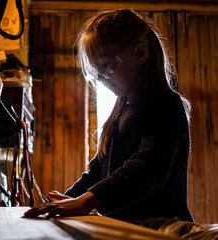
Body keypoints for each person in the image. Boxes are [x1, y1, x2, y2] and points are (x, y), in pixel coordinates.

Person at [24, 9, 194, 222]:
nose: (101, 78)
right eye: (96, 71)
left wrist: (87, 201)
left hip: (163, 229)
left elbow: (148, 166)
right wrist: (68, 200)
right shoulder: (120, 112)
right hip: (126, 228)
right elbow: (98, 171)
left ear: (140, 53)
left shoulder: (167, 105)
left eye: (106, 65)